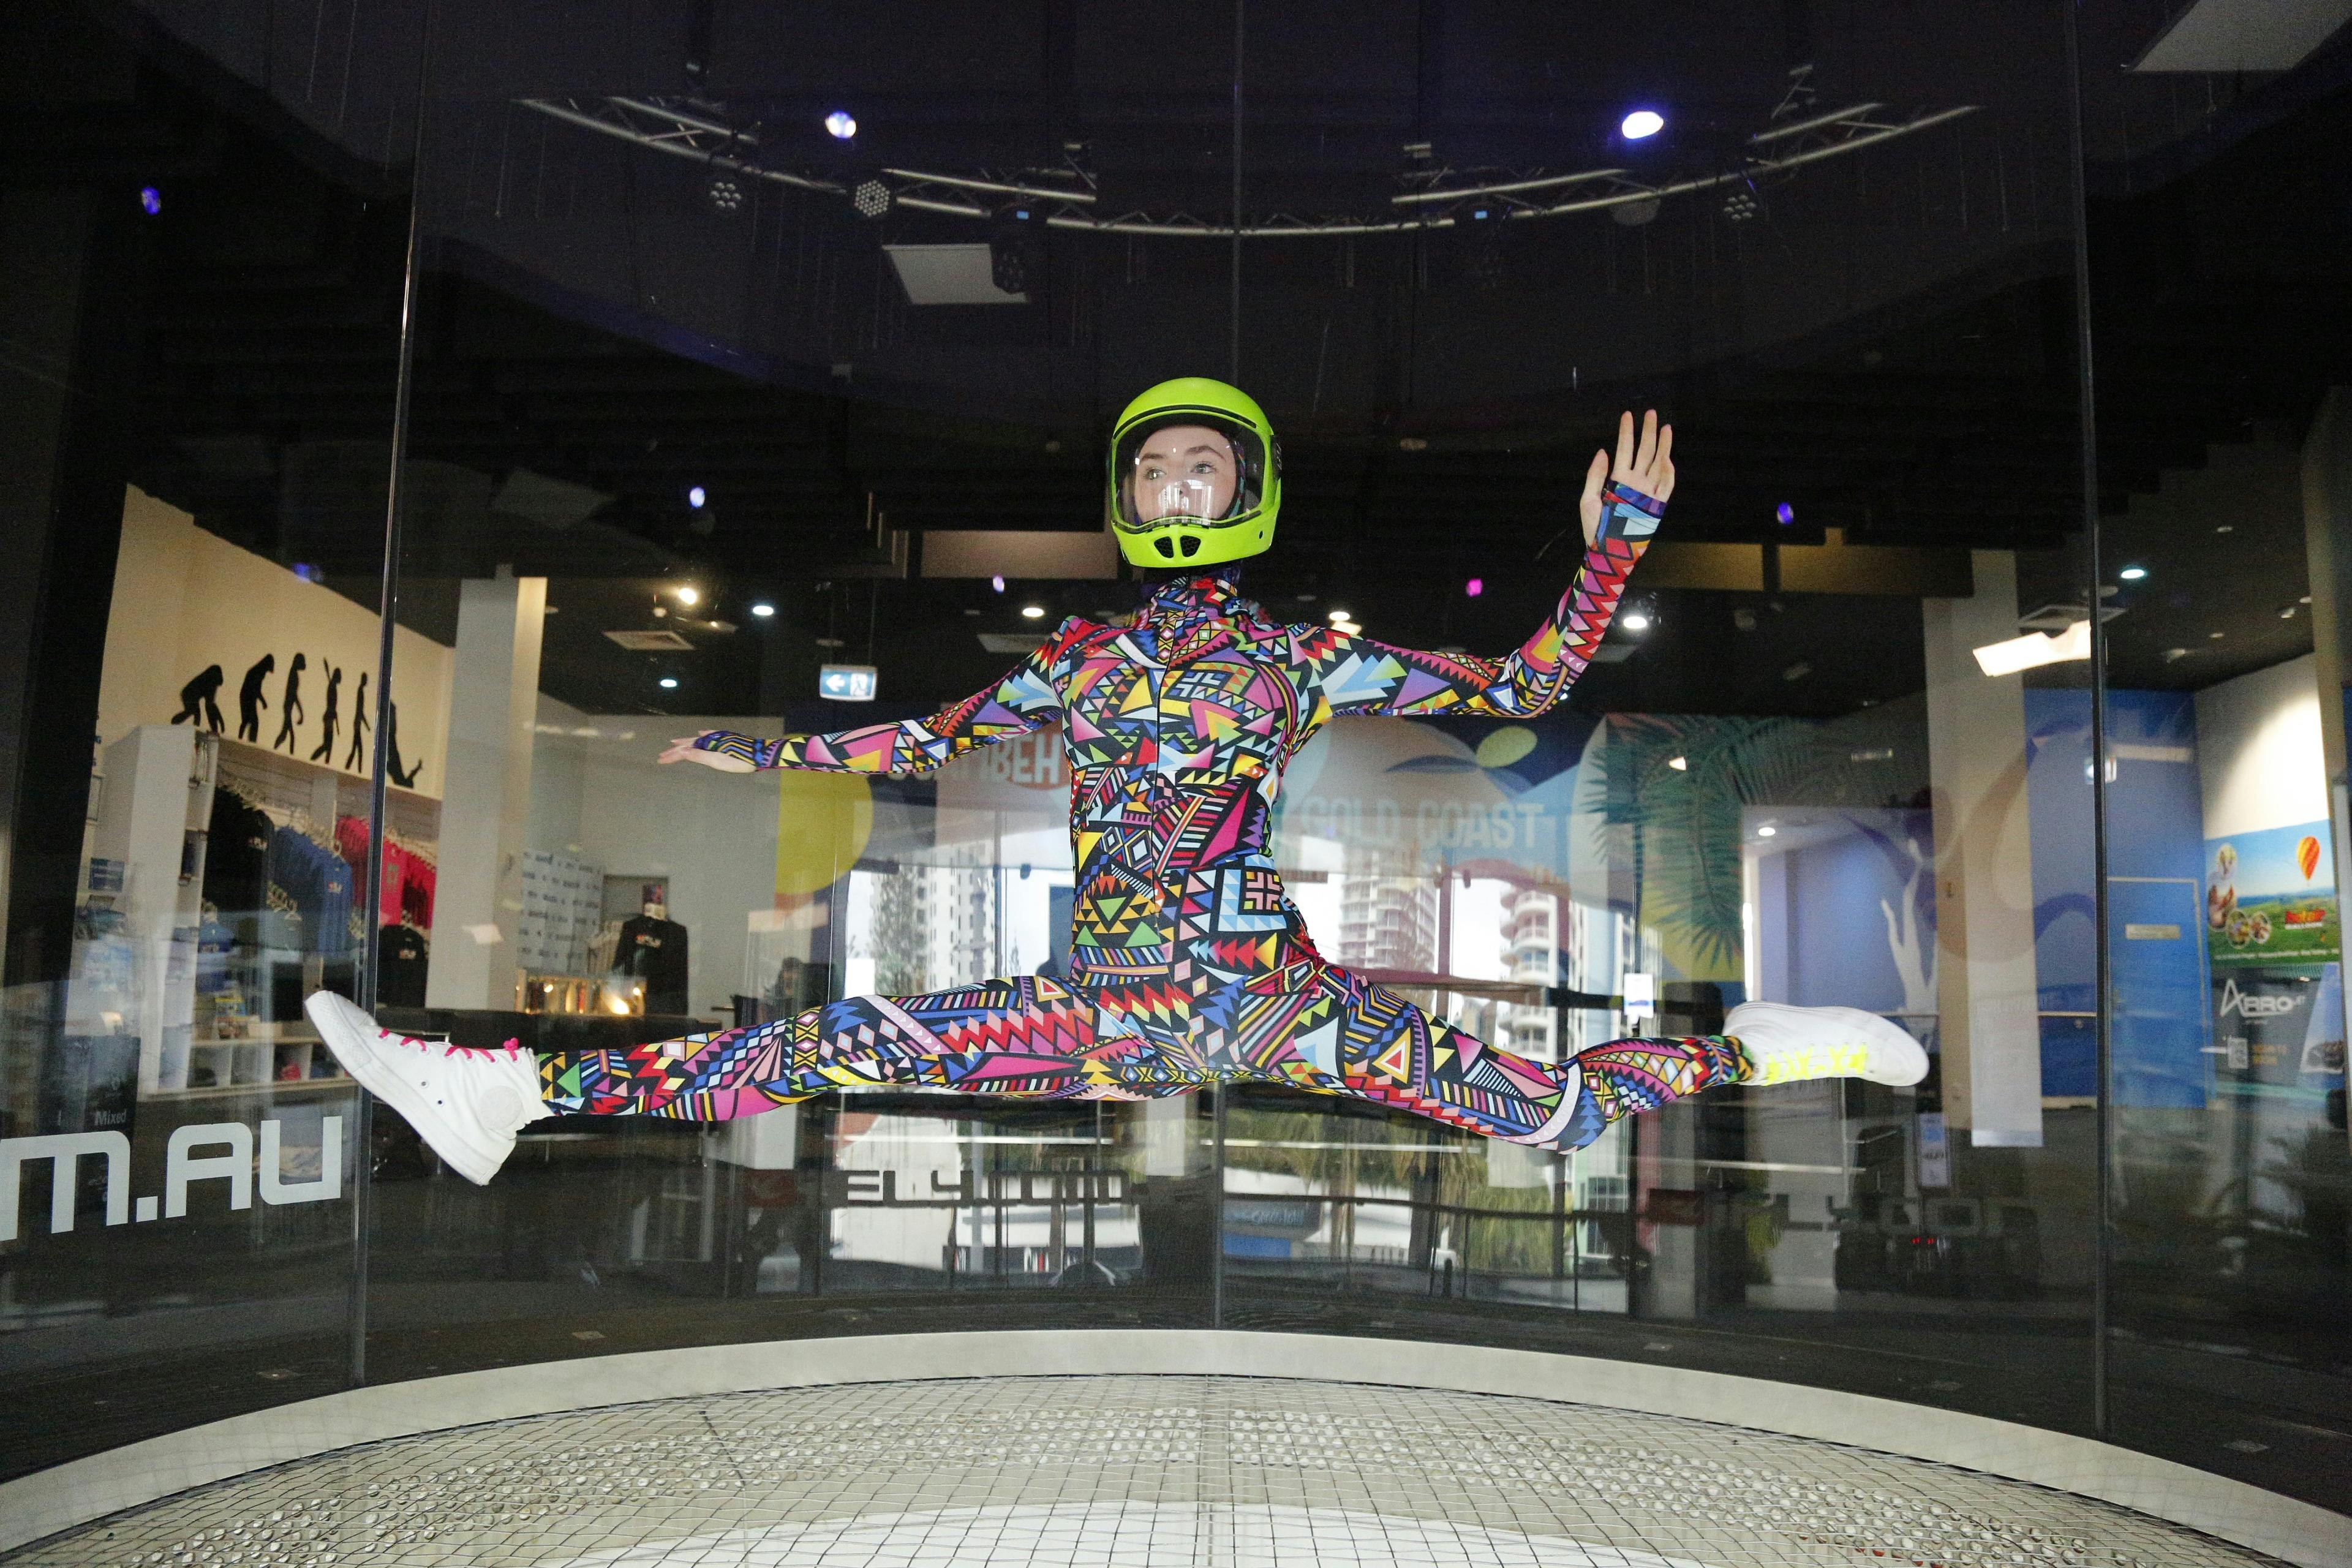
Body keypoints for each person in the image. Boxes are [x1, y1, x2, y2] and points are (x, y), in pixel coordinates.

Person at [307, 379, 1923, 1185]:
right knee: (814, 1050)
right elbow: (921, 740)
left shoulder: (1297, 662)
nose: (1172, 481)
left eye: (1199, 464)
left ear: (1250, 488)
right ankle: (507, 1090)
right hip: (1101, 1009)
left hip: (1273, 1000)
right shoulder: (1079, 662)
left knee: (1559, 1106)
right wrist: (759, 748)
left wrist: (1612, 553)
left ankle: (1768, 1051)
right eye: (1152, 465)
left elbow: (1531, 687)